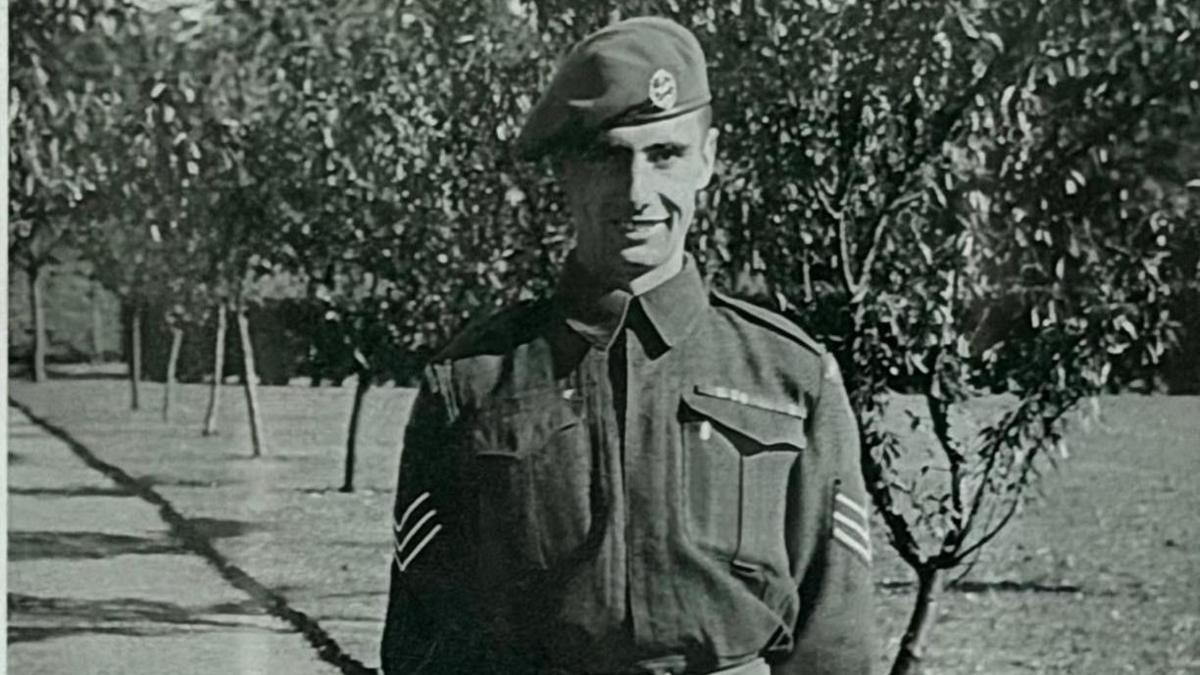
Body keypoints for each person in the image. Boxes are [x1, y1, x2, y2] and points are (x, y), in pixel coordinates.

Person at [381, 16, 875, 675]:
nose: (639, 192)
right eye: (610, 156)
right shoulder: (473, 381)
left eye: (665, 154)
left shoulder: (790, 375)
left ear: (707, 159)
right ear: (567, 172)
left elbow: (833, 638)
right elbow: (425, 639)